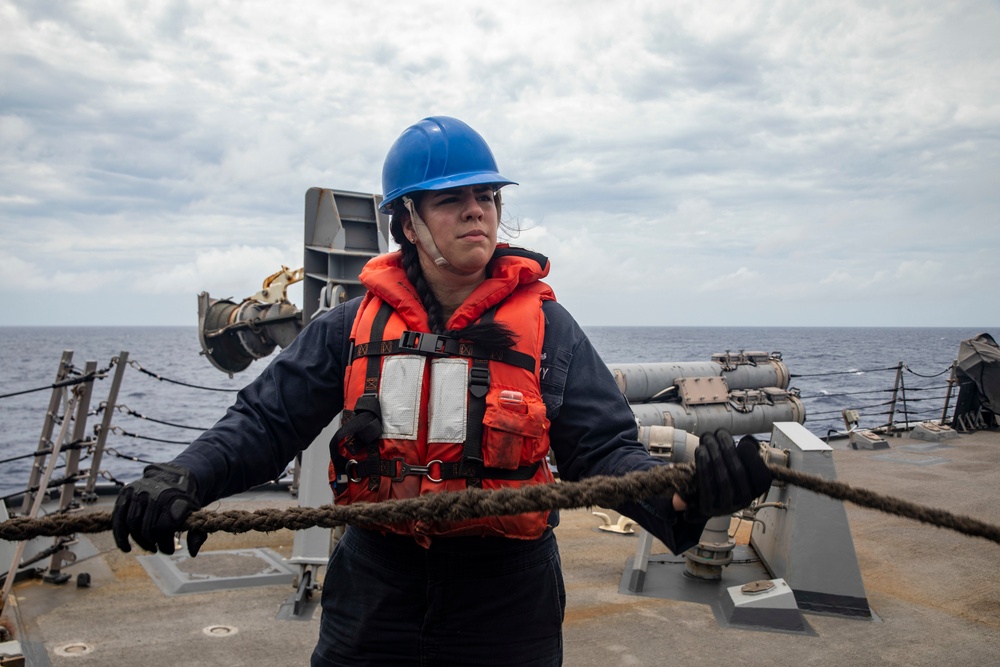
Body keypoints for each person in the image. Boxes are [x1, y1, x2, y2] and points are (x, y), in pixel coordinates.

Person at [112, 116, 772, 666]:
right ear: (407, 222)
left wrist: (687, 490)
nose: (477, 211)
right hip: (375, 586)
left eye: (487, 197)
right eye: (453, 199)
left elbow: (604, 450)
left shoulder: (547, 329)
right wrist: (184, 476)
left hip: (507, 601)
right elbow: (266, 419)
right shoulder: (349, 326)